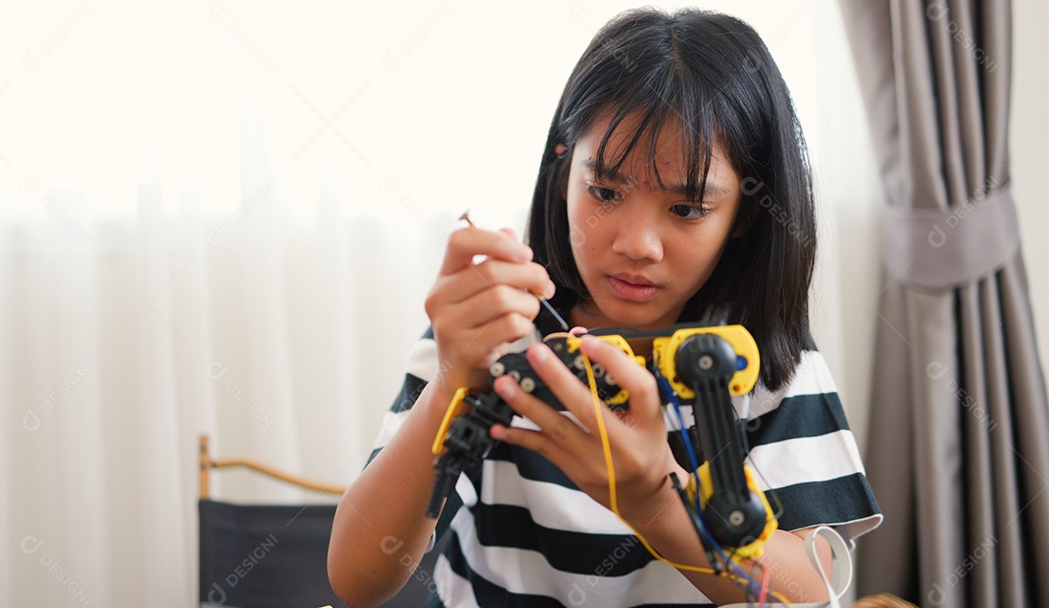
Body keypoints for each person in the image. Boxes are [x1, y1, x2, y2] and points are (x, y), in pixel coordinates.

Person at [328, 7, 881, 607]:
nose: (636, 245)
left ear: (746, 212)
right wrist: (448, 384)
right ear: (564, 166)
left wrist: (658, 505)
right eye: (606, 191)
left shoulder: (762, 361)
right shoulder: (493, 328)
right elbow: (359, 579)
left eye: (688, 209)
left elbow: (809, 596)